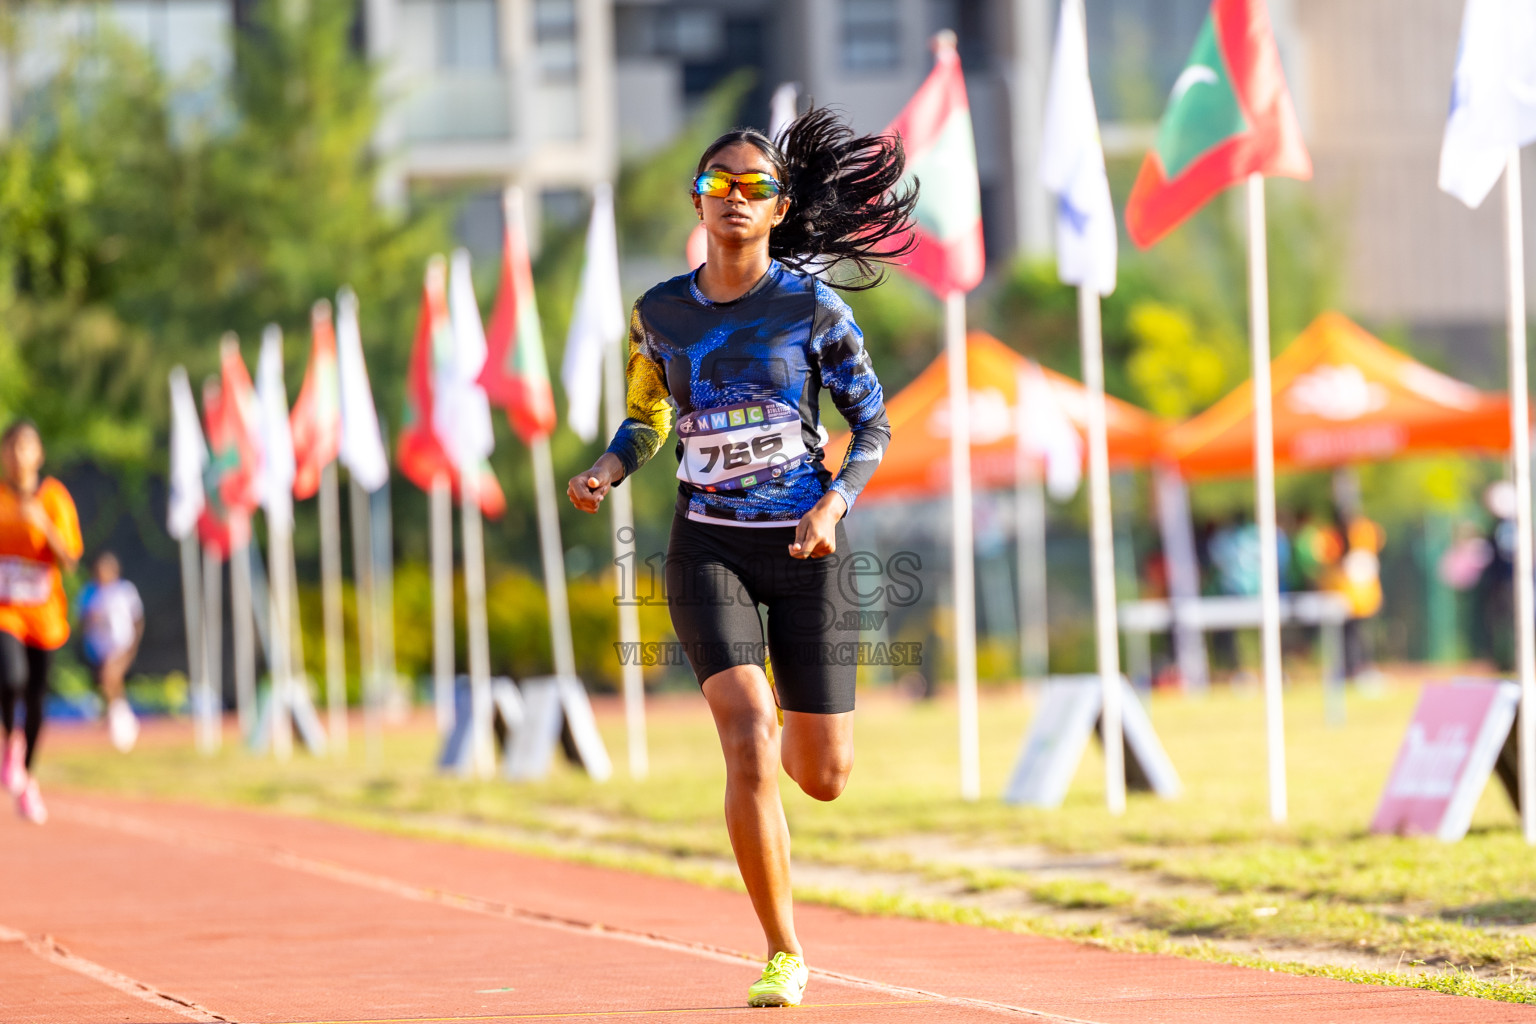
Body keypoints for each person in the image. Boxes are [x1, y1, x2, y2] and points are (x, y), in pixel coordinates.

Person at [567, 107, 911, 1008]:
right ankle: (783, 951)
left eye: (754, 187)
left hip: (805, 546)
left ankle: (797, 798)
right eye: (719, 183)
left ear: (778, 207)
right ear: (697, 200)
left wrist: (836, 500)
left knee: (822, 776)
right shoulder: (661, 313)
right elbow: (646, 419)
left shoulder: (810, 306)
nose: (735, 198)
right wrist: (607, 468)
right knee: (746, 734)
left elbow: (872, 423)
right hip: (707, 545)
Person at [0, 419, 82, 823]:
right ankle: (9, 743)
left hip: (45, 615)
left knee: (36, 699)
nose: (17, 456)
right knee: (9, 675)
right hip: (5, 610)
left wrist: (44, 526)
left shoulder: (54, 499)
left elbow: (70, 559)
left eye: (25, 447)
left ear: (38, 454)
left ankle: (27, 778)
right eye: (11, 447)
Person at [77, 551, 144, 752]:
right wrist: (90, 621)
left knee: (109, 677)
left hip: (121, 645)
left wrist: (133, 646)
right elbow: (82, 620)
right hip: (99, 648)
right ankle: (119, 719)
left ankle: (123, 722)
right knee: (111, 683)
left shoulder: (125, 590)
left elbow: (137, 619)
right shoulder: (89, 593)